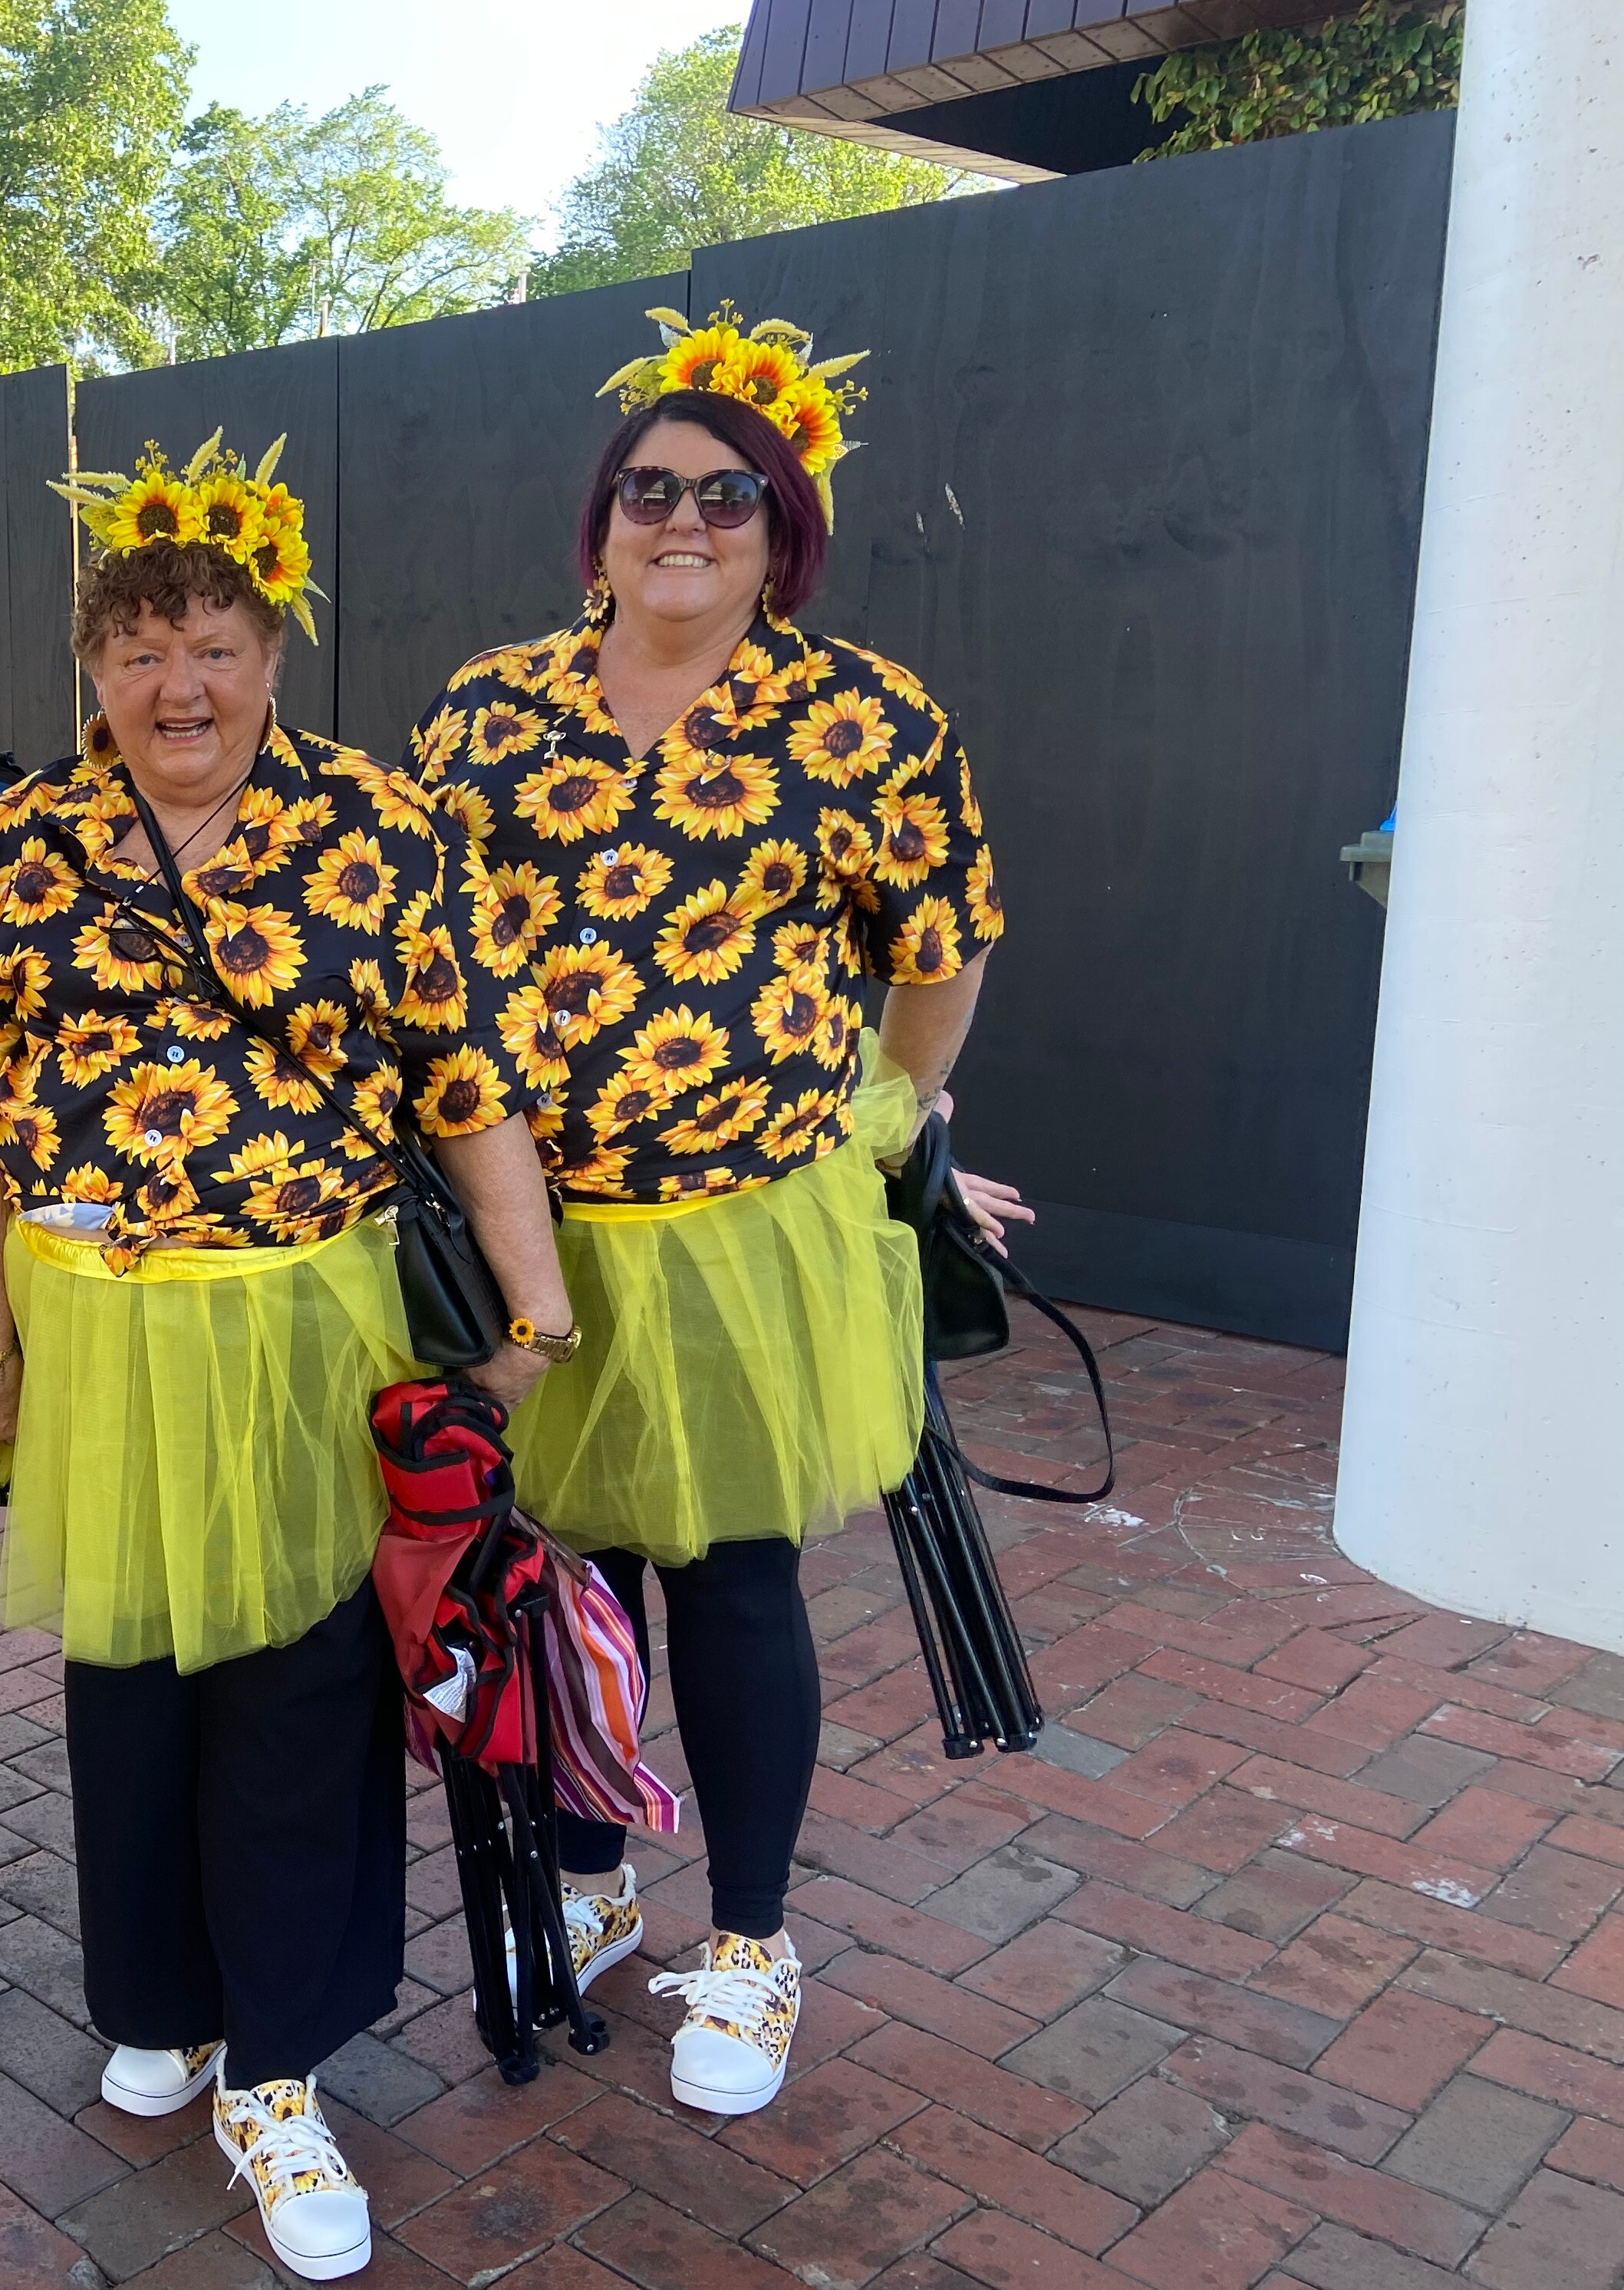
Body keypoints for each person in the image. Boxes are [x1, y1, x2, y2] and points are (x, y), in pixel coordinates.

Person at [0, 432, 572, 2284]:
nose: (178, 684)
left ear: (275, 651)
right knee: (127, 1674)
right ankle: (161, 1998)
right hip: (95, 1327)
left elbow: (468, 1083)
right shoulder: (18, 849)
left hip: (303, 1318)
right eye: (139, 648)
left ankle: (278, 2066)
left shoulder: (376, 825)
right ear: (93, 665)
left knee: (298, 1686)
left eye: (213, 644)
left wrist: (536, 1314)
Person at [409, 308, 1026, 2120]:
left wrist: (888, 1113)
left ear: (783, 531)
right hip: (538, 1232)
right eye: (650, 490)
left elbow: (943, 945)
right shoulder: (485, 709)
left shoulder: (864, 718)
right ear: (601, 522)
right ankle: (594, 1877)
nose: (683, 521)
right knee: (570, 1580)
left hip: (749, 1232)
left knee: (736, 1581)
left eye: (727, 496)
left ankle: (749, 1945)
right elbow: (425, 955)